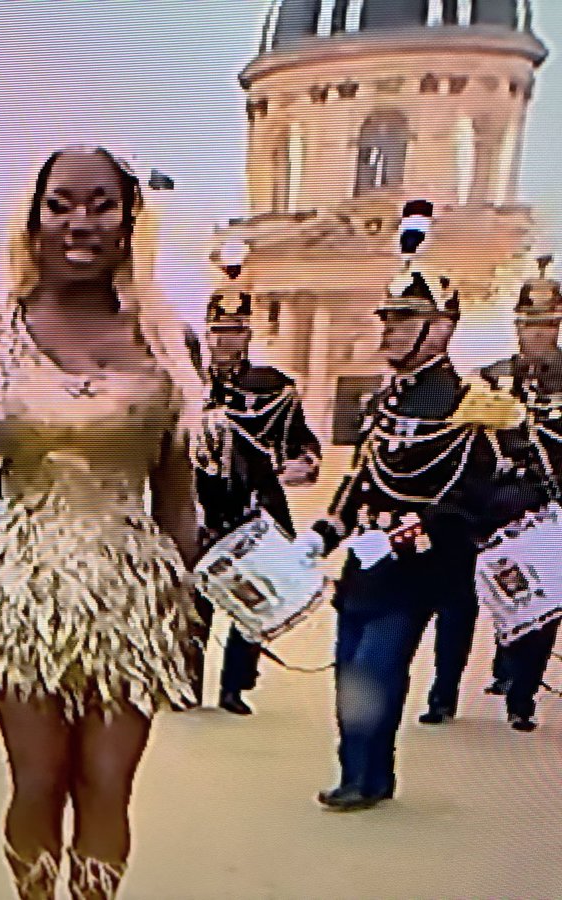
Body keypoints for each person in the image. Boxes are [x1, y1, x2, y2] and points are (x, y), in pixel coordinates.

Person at [0, 147, 203, 898]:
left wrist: (191, 619)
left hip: (133, 596)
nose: (79, 222)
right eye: (60, 203)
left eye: (100, 203)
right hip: (19, 592)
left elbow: (178, 498)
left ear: (130, 217)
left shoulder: (166, 340)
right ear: (32, 215)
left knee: (105, 785)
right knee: (38, 783)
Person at [305, 201, 533, 811]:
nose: (386, 329)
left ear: (439, 328)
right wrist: (326, 531)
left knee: (372, 670)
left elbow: (477, 501)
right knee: (348, 666)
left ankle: (361, 778)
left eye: (402, 319)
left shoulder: (467, 405)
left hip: (418, 568)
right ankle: (371, 775)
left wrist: (402, 538)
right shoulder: (387, 399)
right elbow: (362, 477)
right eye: (388, 317)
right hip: (365, 562)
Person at [189, 254, 321, 715]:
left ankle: (235, 688)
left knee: (253, 593)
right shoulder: (188, 385)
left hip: (255, 504)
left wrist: (304, 462)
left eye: (237, 331)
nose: (228, 341)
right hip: (199, 502)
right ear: (208, 334)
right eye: (220, 332)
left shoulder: (273, 386)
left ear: (249, 333)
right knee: (192, 597)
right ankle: (186, 684)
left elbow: (302, 441)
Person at [476, 254, 562, 732]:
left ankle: (523, 697)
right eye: (530, 326)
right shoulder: (493, 378)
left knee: (545, 600)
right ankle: (505, 664)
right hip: (501, 504)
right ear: (516, 327)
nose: (538, 336)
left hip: (552, 507)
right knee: (507, 587)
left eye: (548, 326)